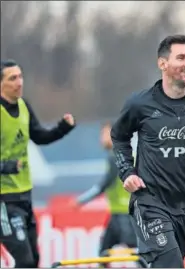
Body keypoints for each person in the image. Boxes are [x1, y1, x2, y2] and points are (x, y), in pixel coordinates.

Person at [111, 34, 185, 268]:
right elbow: (119, 136)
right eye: (181, 57)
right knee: (171, 264)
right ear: (163, 64)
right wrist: (127, 172)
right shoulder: (140, 104)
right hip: (150, 201)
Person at [0, 59, 75, 268]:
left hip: (24, 195)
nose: (19, 82)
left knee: (33, 260)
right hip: (3, 201)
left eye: (20, 76)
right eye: (12, 78)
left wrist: (63, 127)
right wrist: (5, 167)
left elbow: (40, 136)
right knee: (23, 259)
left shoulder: (24, 106)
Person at [71, 121, 137, 267]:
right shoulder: (122, 154)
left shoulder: (116, 157)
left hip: (124, 213)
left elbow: (104, 184)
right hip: (119, 213)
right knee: (105, 252)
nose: (102, 138)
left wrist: (81, 200)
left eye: (105, 134)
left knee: (135, 252)